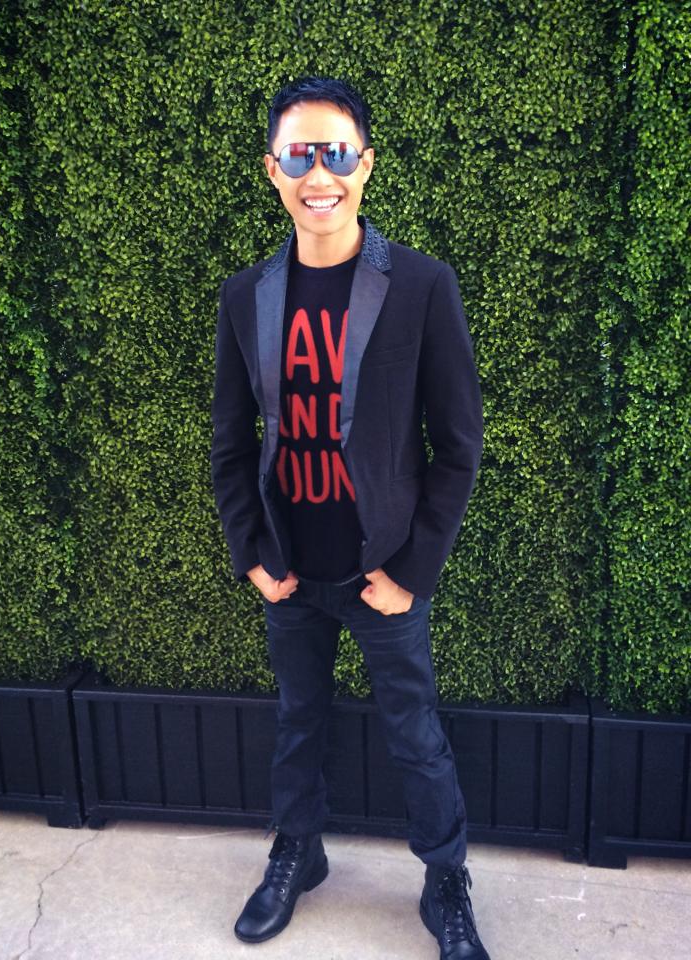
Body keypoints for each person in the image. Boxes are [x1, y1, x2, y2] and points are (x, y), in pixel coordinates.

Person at [210, 75, 489, 960]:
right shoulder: (245, 296)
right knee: (298, 722)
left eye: (336, 152)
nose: (318, 172)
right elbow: (228, 440)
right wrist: (251, 552)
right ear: (272, 169)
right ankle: (299, 853)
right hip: (291, 568)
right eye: (299, 153)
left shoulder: (420, 285)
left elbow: (458, 445)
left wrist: (413, 572)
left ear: (365, 165)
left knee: (415, 737)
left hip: (385, 573)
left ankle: (447, 881)